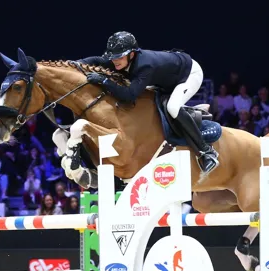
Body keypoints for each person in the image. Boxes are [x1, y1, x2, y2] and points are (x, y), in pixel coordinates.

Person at [78, 31, 219, 174]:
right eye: (113, 57)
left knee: (172, 107)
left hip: (189, 74)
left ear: (132, 54)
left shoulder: (145, 66)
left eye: (119, 57)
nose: (115, 61)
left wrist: (104, 81)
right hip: (167, 78)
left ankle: (206, 152)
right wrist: (75, 64)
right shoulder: (122, 60)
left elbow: (129, 96)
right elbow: (98, 60)